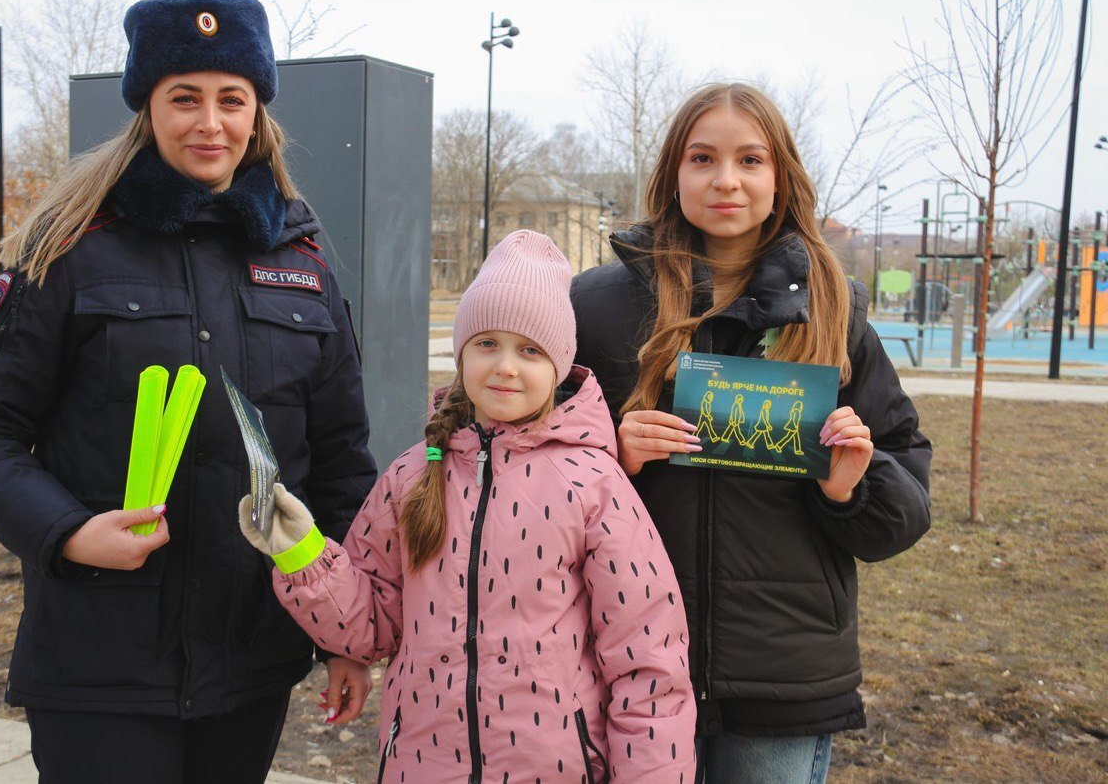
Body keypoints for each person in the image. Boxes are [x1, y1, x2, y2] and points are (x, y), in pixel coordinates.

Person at [0, 0, 377, 783]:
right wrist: (69, 531)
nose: (210, 122)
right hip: (98, 663)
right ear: (148, 108)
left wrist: (348, 631)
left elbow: (341, 459)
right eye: (184, 97)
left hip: (250, 659)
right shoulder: (69, 246)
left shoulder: (303, 266)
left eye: (231, 99)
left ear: (257, 113)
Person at [571, 83, 932, 783]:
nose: (726, 180)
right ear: (674, 173)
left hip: (784, 677)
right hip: (629, 662)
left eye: (750, 160)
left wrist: (851, 488)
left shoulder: (833, 307)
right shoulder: (599, 306)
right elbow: (531, 463)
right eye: (703, 157)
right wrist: (611, 455)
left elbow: (903, 503)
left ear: (780, 177)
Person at [239, 230, 697, 782]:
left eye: (530, 350)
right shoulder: (412, 475)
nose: (505, 366)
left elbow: (647, 662)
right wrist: (301, 552)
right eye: (486, 343)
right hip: (422, 767)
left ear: (560, 363)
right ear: (461, 353)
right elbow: (372, 627)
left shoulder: (595, 486)